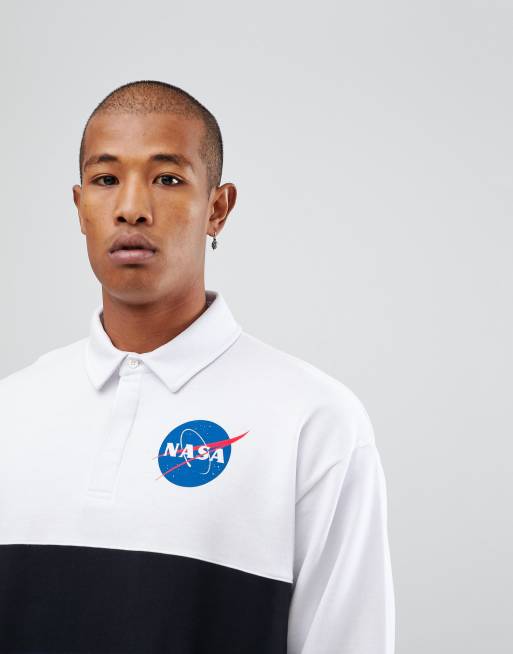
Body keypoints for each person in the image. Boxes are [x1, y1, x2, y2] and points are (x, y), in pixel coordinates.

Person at [0, 80, 395, 653]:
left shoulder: (313, 421)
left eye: (167, 179)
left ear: (218, 207)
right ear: (80, 207)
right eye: (106, 179)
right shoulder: (12, 411)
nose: (132, 208)